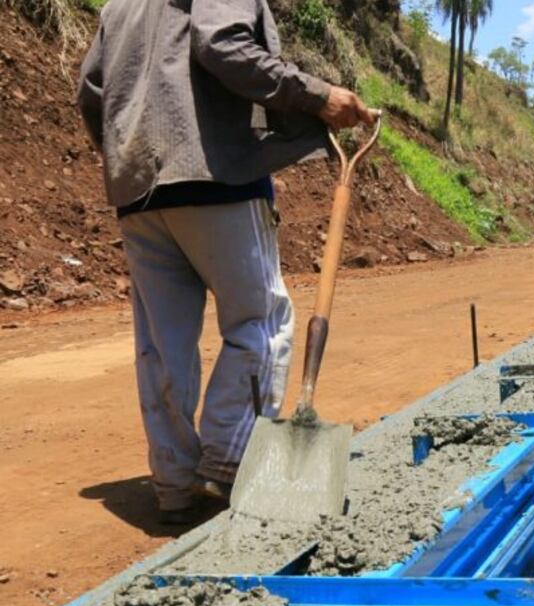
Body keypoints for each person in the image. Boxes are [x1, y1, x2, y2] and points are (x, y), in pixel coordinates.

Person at [77, 0, 375, 524]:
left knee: (161, 345)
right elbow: (222, 44)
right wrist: (321, 97)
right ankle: (229, 460)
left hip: (138, 192)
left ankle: (173, 484)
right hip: (215, 179)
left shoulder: (118, 6)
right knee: (261, 321)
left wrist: (123, 150)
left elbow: (92, 91)